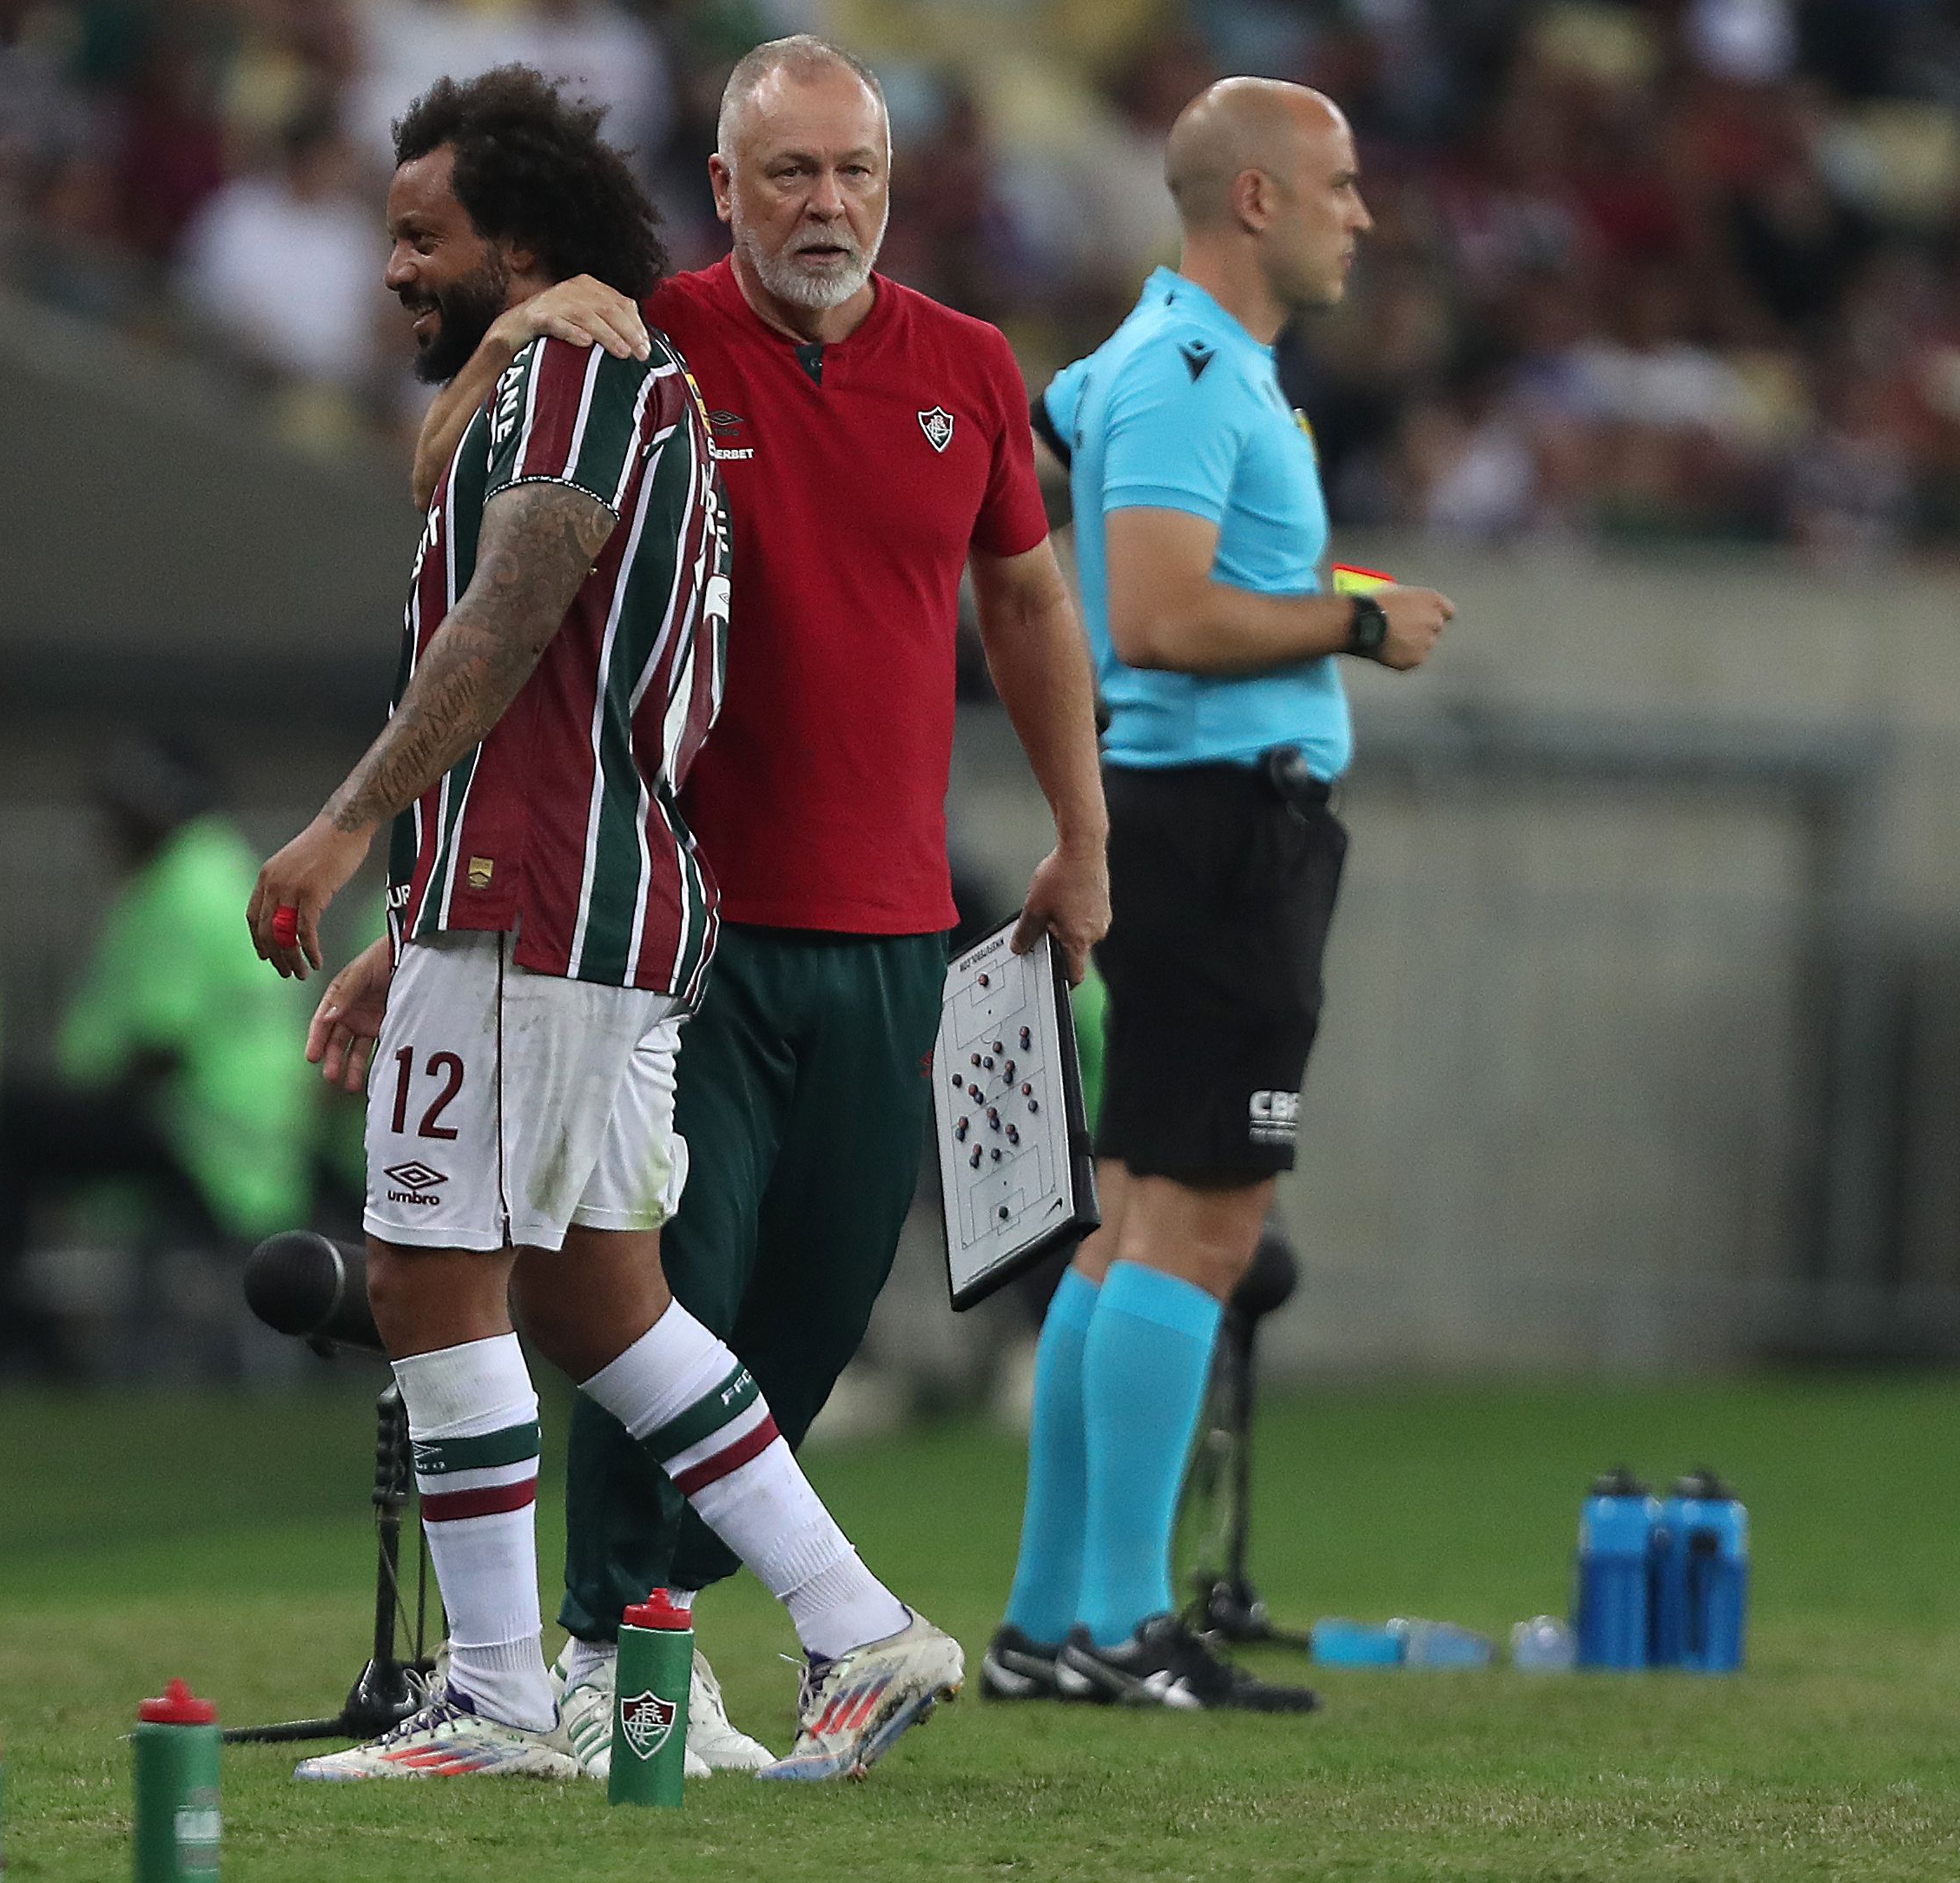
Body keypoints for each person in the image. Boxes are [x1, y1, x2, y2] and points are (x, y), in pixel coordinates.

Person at [403, 34, 1111, 1777]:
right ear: (723, 191)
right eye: (788, 172)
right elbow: (451, 504)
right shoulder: (644, 340)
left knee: (804, 1321)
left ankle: (698, 1628)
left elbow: (1026, 609)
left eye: (853, 171)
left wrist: (1082, 839)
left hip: (893, 935)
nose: (826, 202)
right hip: (683, 927)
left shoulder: (963, 367)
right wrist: (506, 330)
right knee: (650, 1296)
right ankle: (606, 1648)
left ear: (891, 184)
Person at [249, 64, 959, 1784]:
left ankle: (500, 1697)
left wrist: (351, 826)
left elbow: (516, 603)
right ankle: (855, 1626)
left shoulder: (570, 373)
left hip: (534, 900)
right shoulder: (560, 362)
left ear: (520, 236)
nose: (397, 269)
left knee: (432, 1269)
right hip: (551, 893)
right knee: (594, 1301)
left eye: (424, 237)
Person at [993, 78, 1453, 1711]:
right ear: (1252, 200)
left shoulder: (1147, 358)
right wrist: (1351, 622)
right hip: (1219, 821)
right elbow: (1169, 613)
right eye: (1337, 183)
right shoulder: (1192, 371)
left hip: (1179, 817)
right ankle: (1119, 1622)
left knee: (1129, 1222)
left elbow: (1057, 496)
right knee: (1202, 1218)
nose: (1362, 214)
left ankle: (1055, 1619)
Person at [0, 731, 316, 1377]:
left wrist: (81, 1098)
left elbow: (160, 1045)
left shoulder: (181, 889)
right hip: (246, 1130)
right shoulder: (222, 869)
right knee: (26, 1128)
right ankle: (28, 1331)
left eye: (119, 807)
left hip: (197, 1129)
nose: (107, 825)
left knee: (2, 1130)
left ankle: (19, 1336)